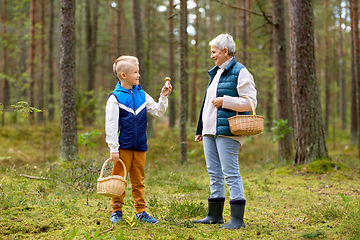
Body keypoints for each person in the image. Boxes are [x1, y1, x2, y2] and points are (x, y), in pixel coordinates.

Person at [194, 34, 257, 229]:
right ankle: (215, 215)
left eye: (214, 52)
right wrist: (200, 129)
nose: (212, 56)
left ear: (225, 51)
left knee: (230, 173)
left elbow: (250, 102)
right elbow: (207, 105)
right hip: (209, 130)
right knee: (214, 172)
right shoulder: (216, 73)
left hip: (228, 130)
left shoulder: (241, 72)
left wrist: (225, 101)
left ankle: (237, 220)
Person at [105, 56, 172, 224]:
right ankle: (116, 211)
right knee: (119, 179)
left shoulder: (142, 94)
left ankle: (141, 212)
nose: (138, 75)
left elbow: (157, 111)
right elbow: (111, 125)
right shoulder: (115, 98)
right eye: (135, 72)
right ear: (123, 75)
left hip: (140, 146)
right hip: (123, 148)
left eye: (138, 72)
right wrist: (113, 148)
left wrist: (163, 96)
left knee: (139, 181)